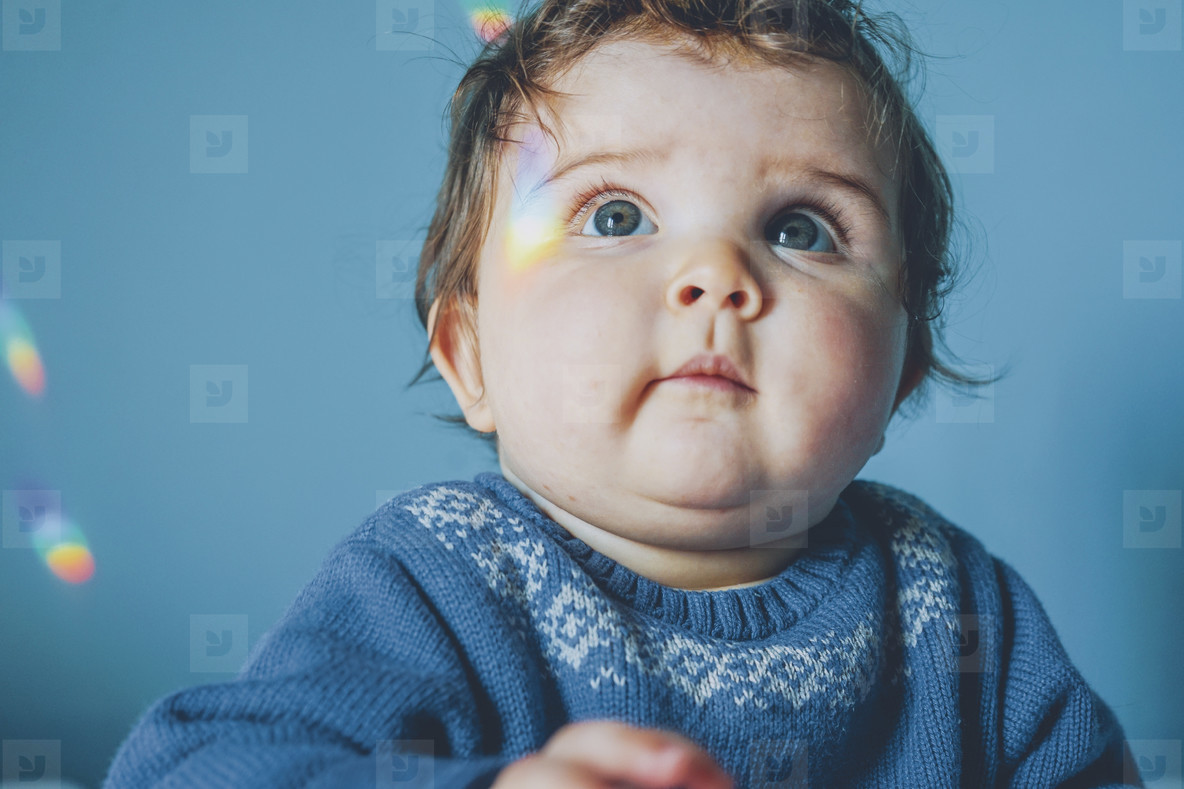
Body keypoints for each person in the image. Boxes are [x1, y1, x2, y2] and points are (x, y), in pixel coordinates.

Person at [103, 1, 1143, 786]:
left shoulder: (958, 608)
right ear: (469, 357)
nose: (715, 275)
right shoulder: (439, 580)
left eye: (799, 228)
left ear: (896, 378)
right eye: (614, 217)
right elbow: (197, 769)